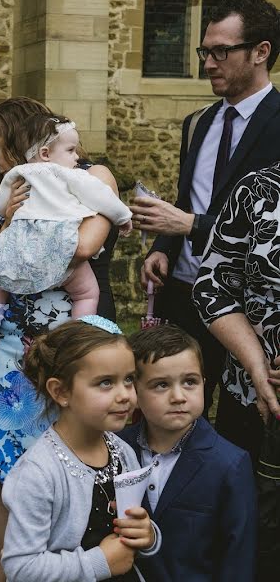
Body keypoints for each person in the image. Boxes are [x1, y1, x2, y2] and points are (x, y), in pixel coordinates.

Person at [0, 96, 119, 582]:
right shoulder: (11, 191)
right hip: (9, 353)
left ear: (22, 141)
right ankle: (3, 573)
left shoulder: (91, 177)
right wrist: (4, 222)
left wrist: (21, 224)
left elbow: (84, 246)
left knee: (69, 476)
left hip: (68, 351)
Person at [134, 0, 280, 422]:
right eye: (204, 51)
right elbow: (188, 200)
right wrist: (163, 245)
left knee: (241, 429)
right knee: (168, 419)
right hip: (181, 296)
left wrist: (192, 225)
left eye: (220, 51)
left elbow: (268, 229)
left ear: (261, 52)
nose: (208, 63)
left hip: (247, 310)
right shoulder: (197, 123)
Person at [2, 318, 161, 582]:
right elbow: (20, 568)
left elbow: (129, 537)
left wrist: (148, 535)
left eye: (129, 379)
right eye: (106, 382)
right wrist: (100, 562)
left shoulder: (124, 452)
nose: (124, 395)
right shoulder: (38, 473)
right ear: (61, 391)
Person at [193, 164, 280, 581]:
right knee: (247, 534)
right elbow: (212, 284)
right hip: (250, 394)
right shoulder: (258, 188)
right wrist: (258, 370)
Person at [118, 325, 256, 582]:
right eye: (161, 385)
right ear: (134, 390)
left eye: (190, 382)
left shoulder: (231, 463)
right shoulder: (114, 449)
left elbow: (237, 558)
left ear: (204, 383)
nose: (178, 396)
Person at [0, 114, 132, 334]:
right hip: (15, 333)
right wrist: (9, 219)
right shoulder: (20, 186)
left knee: (86, 294)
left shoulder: (85, 175)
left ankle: (80, 329)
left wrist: (19, 243)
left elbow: (84, 247)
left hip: (62, 329)